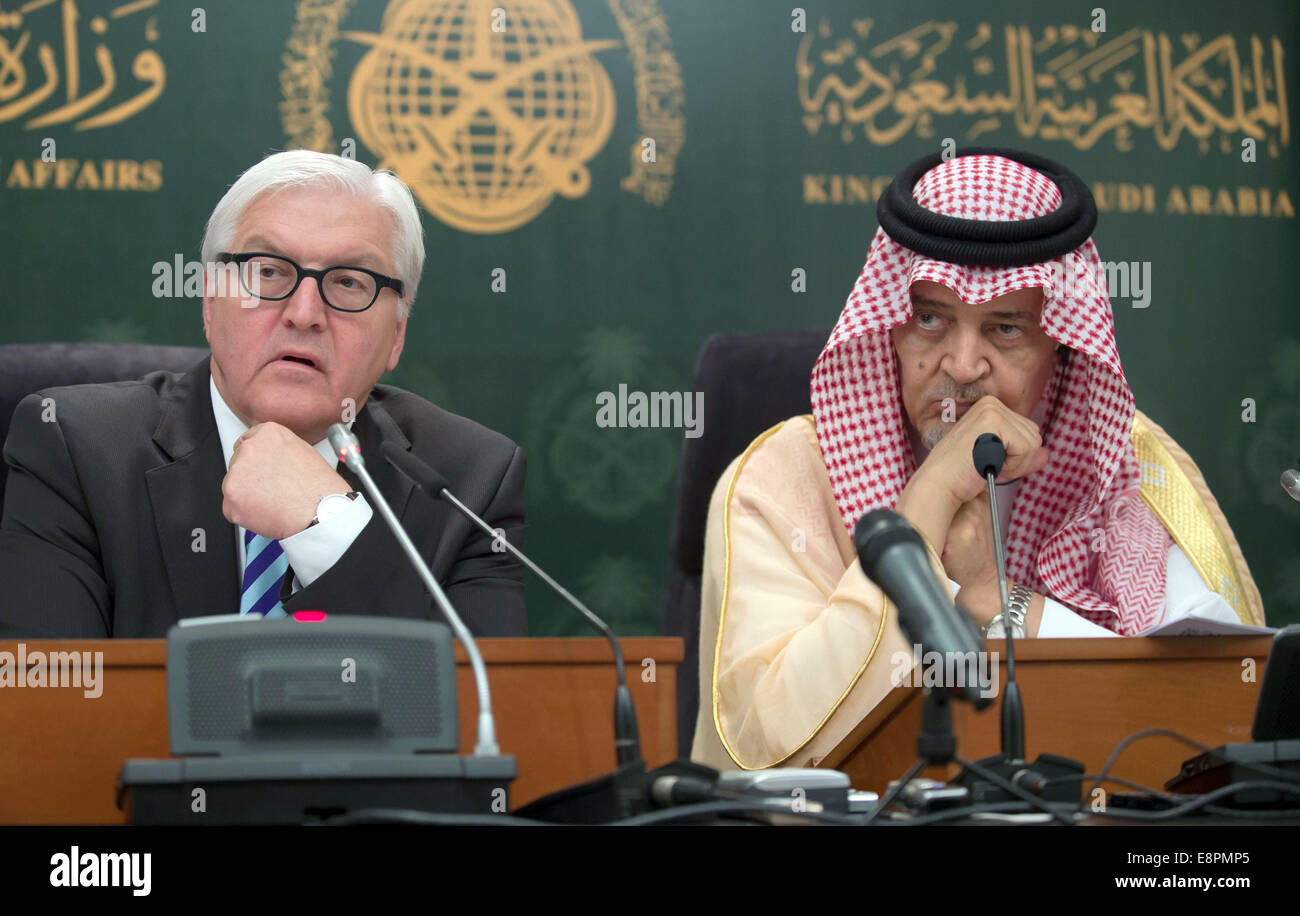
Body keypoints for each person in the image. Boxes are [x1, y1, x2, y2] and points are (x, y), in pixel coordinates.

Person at [691, 148, 1264, 772]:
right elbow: (770, 749)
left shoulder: (1127, 473)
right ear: (888, 328)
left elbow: (1213, 728)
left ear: (1061, 350)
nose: (963, 366)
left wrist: (999, 600)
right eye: (930, 319)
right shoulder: (783, 478)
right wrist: (929, 497)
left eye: (1006, 329)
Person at [0, 150, 526, 638]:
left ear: (397, 335)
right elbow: (51, 714)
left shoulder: (469, 482)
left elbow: (481, 707)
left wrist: (328, 527)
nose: (303, 314)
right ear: (209, 299)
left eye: (349, 282)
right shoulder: (76, 450)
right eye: (268, 272)